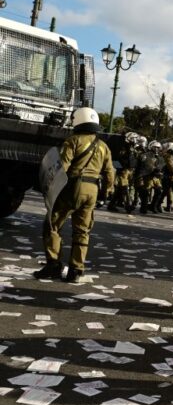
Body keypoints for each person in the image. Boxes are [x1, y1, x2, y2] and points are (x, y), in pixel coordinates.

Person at [34, 108, 115, 283]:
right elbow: (110, 173)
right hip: (92, 190)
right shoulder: (103, 146)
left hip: (73, 187)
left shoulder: (73, 141)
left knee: (52, 224)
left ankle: (53, 265)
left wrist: (49, 188)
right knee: (82, 231)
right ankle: (76, 270)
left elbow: (62, 166)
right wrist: (106, 192)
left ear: (78, 120)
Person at [108, 131, 139, 213]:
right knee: (125, 187)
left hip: (130, 170)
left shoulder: (133, 148)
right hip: (123, 171)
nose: (135, 140)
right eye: (133, 138)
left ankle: (111, 205)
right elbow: (119, 158)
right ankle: (128, 206)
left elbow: (133, 160)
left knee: (119, 189)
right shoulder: (123, 147)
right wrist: (120, 169)